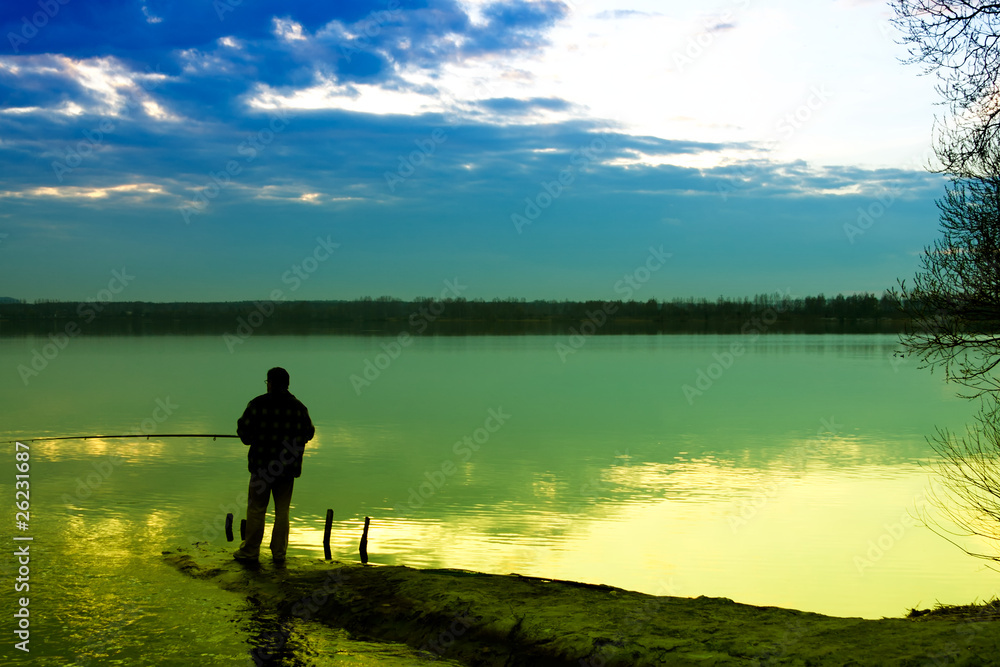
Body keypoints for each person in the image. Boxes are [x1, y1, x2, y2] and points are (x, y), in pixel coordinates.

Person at [233, 367, 315, 564]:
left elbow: (244, 434)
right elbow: (308, 433)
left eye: (267, 382)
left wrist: (256, 437)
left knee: (256, 509)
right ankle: (279, 553)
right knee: (282, 510)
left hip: (261, 466)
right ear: (287, 384)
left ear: (270, 383)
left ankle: (251, 551)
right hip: (286, 469)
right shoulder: (298, 407)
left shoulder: (257, 405)